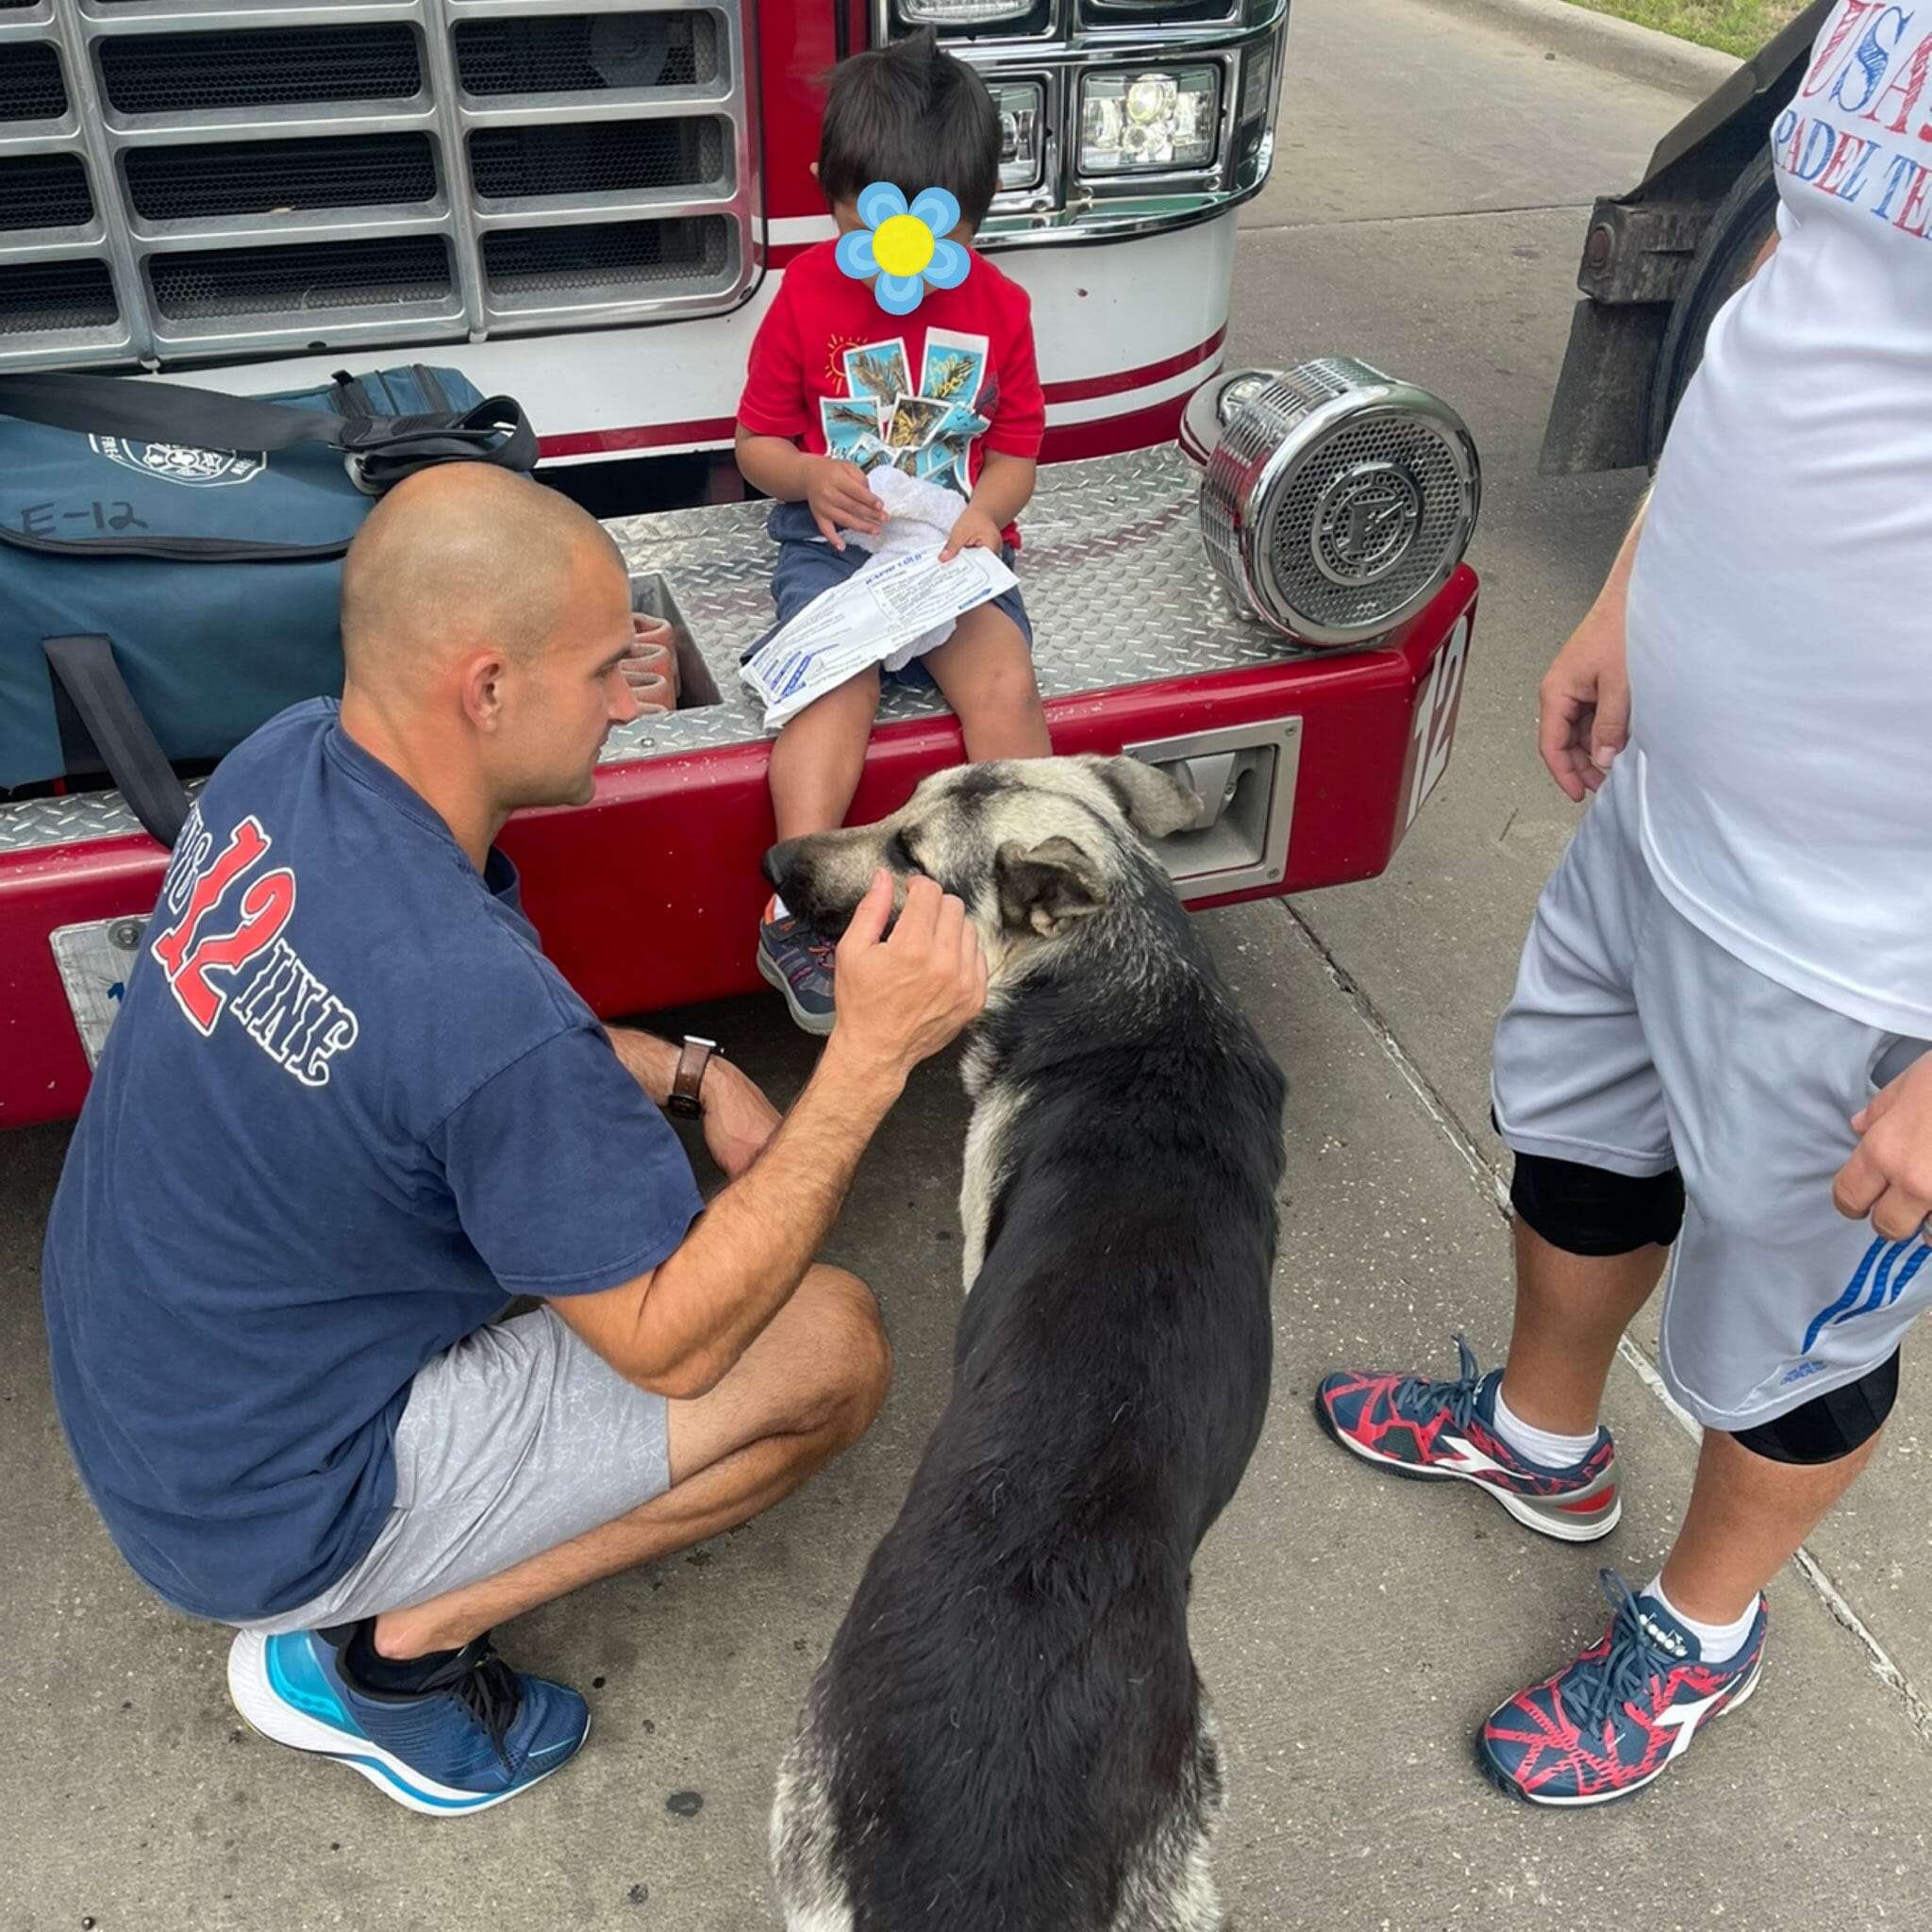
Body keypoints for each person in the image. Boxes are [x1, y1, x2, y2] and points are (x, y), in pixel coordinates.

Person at [40, 463, 987, 1815]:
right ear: (485, 691)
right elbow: (676, 1341)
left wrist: (691, 1066)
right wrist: (870, 1061)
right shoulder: (489, 1024)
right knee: (829, 1347)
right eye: (607, 668)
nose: (632, 694)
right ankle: (384, 1655)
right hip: (268, 1511)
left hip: (154, 1406)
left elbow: (398, 1041)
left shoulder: (285, 761)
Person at [1318, 0, 1932, 1807]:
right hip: (1668, 814)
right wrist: (1634, 590)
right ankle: (1538, 1436)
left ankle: (1702, 1622)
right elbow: (1794, 310)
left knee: (1786, 1331)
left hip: (1861, 943)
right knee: (1578, 1137)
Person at [736, 27, 1052, 1034]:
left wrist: (984, 514)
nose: (906, 245)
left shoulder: (1000, 306)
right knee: (839, 682)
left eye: (938, 222)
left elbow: (1015, 451)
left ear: (977, 209)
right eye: (874, 212)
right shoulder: (802, 296)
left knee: (1003, 680)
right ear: (831, 184)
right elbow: (753, 442)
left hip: (948, 557)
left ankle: (1026, 883)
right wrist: (807, 475)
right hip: (830, 543)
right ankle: (802, 908)